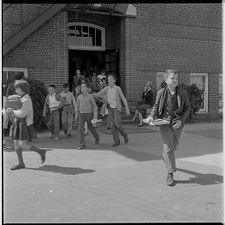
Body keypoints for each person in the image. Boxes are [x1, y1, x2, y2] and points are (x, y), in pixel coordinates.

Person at [145, 69, 190, 186]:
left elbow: (187, 109)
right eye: (172, 78)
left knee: (172, 147)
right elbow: (156, 106)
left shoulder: (183, 93)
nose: (175, 80)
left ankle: (165, 155)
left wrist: (181, 120)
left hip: (177, 124)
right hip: (164, 123)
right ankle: (170, 174)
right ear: (166, 80)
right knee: (169, 148)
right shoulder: (161, 93)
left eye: (176, 78)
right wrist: (151, 117)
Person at [6, 80, 47, 170]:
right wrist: (10, 109)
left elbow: (22, 113)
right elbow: (16, 106)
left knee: (23, 145)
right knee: (16, 143)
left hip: (23, 124)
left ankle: (41, 152)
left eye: (17, 89)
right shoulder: (21, 97)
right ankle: (21, 163)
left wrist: (12, 111)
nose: (16, 91)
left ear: (23, 90)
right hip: (18, 122)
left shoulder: (26, 99)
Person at [93, 74, 130, 146]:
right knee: (112, 125)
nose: (108, 81)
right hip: (110, 108)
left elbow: (123, 98)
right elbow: (99, 94)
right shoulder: (106, 88)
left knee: (117, 124)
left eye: (110, 79)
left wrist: (127, 108)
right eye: (108, 79)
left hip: (116, 108)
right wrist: (91, 95)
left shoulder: (117, 88)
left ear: (114, 80)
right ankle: (117, 141)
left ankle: (124, 134)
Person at [76, 81, 100, 150]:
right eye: (81, 87)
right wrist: (76, 114)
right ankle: (82, 144)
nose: (82, 88)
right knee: (80, 129)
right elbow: (77, 106)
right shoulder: (79, 97)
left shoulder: (90, 97)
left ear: (87, 88)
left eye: (84, 87)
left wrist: (95, 116)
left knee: (91, 128)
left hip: (89, 114)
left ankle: (97, 137)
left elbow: (95, 106)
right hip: (81, 114)